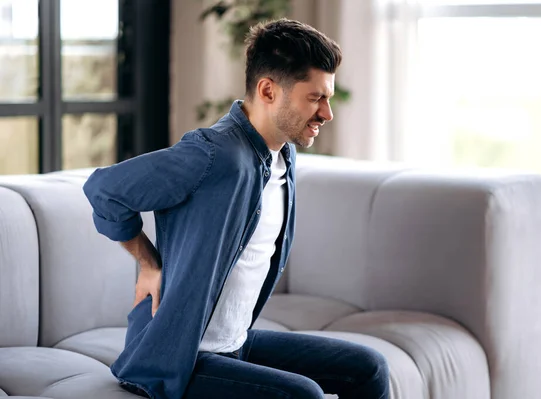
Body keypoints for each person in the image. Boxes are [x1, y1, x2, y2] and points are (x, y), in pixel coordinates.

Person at [83, 18, 390, 399]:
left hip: (235, 344)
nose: (327, 113)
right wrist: (149, 263)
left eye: (327, 98)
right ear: (267, 91)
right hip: (177, 357)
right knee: (302, 395)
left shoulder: (284, 156)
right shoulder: (214, 154)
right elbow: (105, 190)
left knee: (369, 369)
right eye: (315, 98)